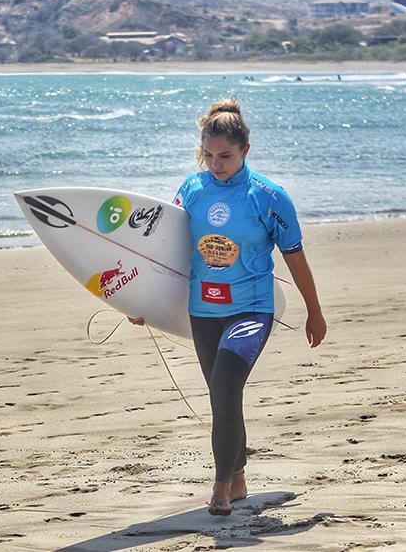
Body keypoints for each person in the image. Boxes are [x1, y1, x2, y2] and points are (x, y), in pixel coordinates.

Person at [130, 97, 327, 516]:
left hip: (251, 309)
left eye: (225, 156)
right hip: (203, 310)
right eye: (209, 155)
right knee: (223, 397)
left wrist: (314, 309)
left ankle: (220, 485)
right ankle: (237, 477)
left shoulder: (269, 197)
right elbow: (167, 253)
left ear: (245, 151)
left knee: (223, 388)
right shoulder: (191, 189)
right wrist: (138, 299)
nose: (216, 164)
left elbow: (295, 255)